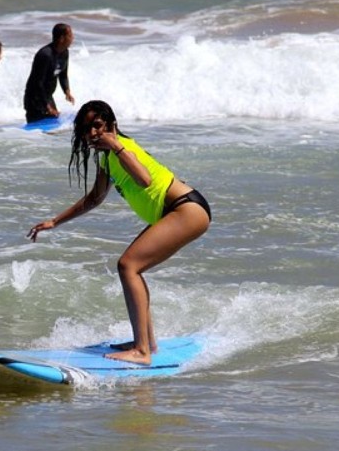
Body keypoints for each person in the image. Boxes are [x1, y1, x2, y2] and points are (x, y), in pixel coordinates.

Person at [27, 100, 211, 365]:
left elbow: (144, 180)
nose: (92, 133)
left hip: (186, 209)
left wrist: (116, 146)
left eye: (98, 126)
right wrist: (55, 222)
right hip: (175, 212)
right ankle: (148, 344)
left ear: (111, 125)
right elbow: (94, 198)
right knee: (133, 267)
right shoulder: (107, 159)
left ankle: (141, 351)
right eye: (86, 129)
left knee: (128, 265)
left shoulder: (124, 148)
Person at [23, 23, 75, 124]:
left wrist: (67, 91)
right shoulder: (45, 55)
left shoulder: (65, 53)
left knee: (53, 126)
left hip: (47, 97)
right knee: (37, 130)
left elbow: (63, 75)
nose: (73, 38)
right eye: (70, 35)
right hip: (34, 99)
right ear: (61, 38)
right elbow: (38, 84)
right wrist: (47, 107)